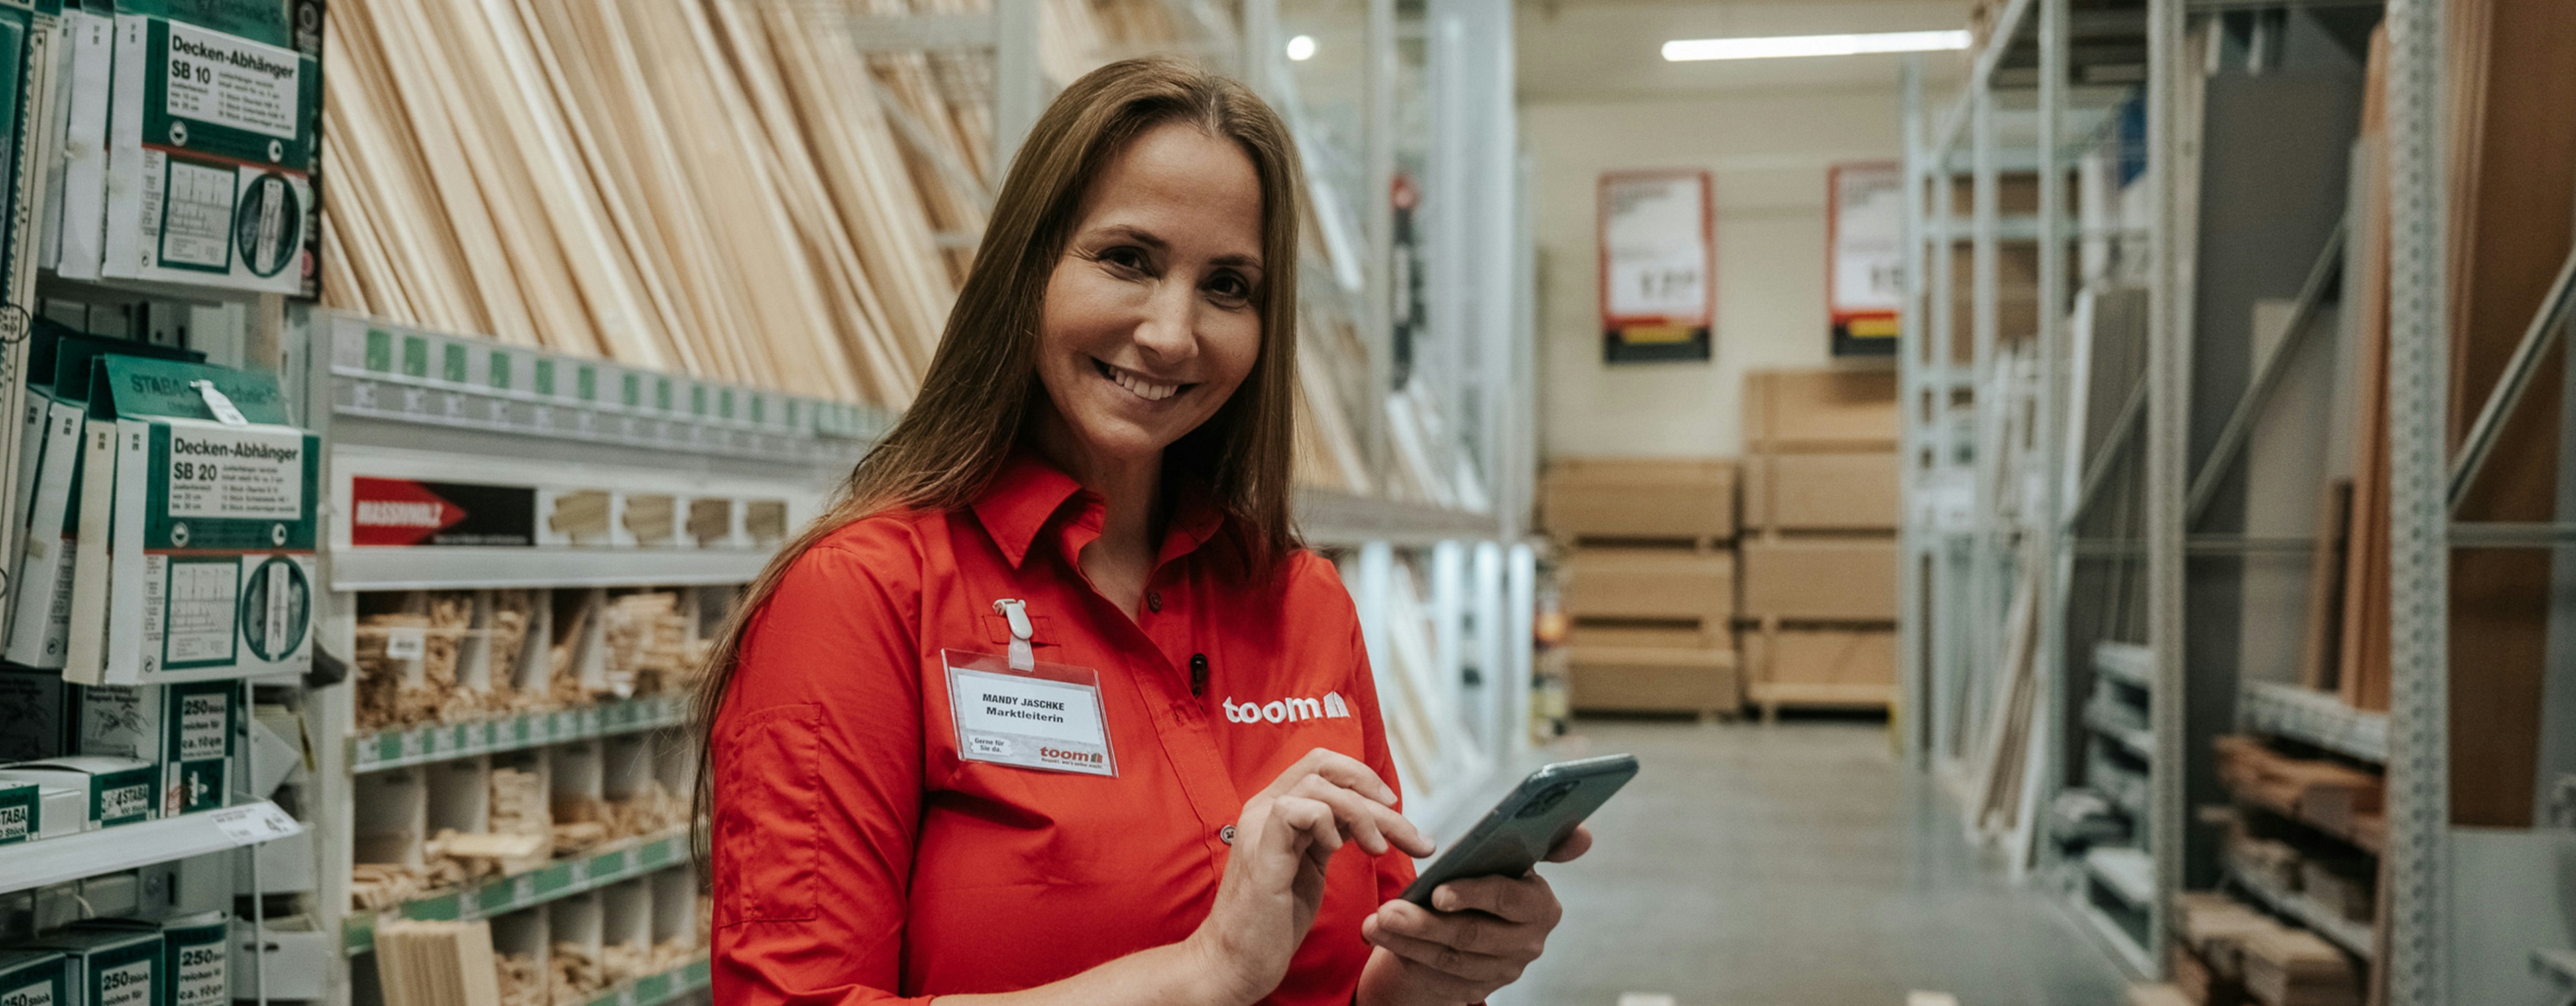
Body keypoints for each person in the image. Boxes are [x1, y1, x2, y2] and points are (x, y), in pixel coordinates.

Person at [690, 56, 1587, 1006]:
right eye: (1129, 260)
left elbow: (1346, 974)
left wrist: (1428, 976)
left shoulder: (1300, 602)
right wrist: (1200, 977)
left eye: (1228, 286)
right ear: (1027, 266)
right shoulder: (864, 596)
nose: (1172, 334)